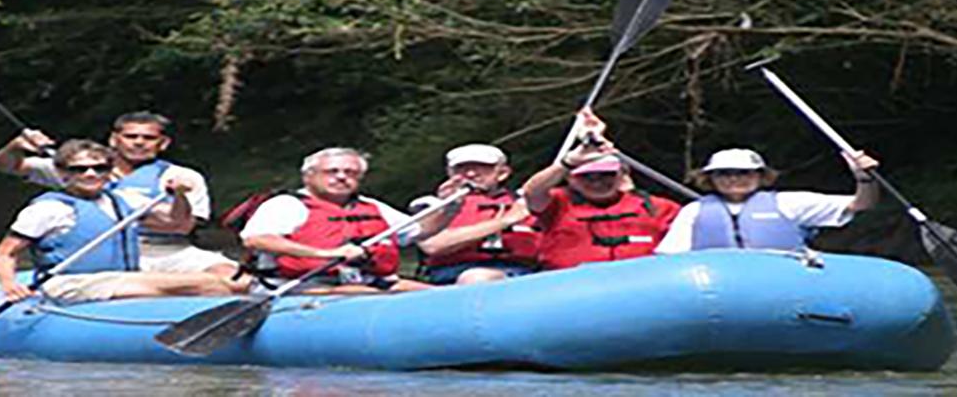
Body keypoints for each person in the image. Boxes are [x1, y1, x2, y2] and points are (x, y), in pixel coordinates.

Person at [0, 111, 239, 283]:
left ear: (163, 143)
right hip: (108, 252)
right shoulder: (76, 169)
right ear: (114, 139)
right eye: (131, 136)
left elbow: (183, 226)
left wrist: (121, 207)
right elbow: (4, 165)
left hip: (169, 250)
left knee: (230, 274)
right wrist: (16, 146)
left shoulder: (182, 176)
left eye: (149, 138)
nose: (139, 143)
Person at [238, 147, 438, 294]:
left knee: (435, 293)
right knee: (365, 294)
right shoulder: (286, 204)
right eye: (331, 172)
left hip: (367, 282)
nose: (342, 177)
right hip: (299, 286)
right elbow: (256, 240)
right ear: (309, 177)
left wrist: (449, 209)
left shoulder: (372, 206)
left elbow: (420, 231)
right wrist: (327, 253)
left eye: (351, 173)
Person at [520, 111, 682, 271]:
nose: (597, 182)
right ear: (570, 179)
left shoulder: (659, 208)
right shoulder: (557, 203)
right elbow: (532, 192)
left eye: (606, 175)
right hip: (574, 285)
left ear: (622, 175)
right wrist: (569, 161)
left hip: (640, 284)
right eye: (587, 177)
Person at [654, 148, 881, 254]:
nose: (734, 179)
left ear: (760, 176)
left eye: (744, 172)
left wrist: (864, 178)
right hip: (719, 289)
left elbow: (861, 204)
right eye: (724, 173)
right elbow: (671, 256)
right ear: (710, 179)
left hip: (779, 286)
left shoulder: (788, 203)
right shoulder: (693, 211)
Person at [413, 144, 540, 285]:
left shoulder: (528, 202)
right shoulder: (431, 205)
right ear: (450, 173)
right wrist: (505, 221)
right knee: (476, 277)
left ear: (502, 173)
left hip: (523, 274)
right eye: (461, 169)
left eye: (482, 168)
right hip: (452, 275)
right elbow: (432, 244)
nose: (470, 174)